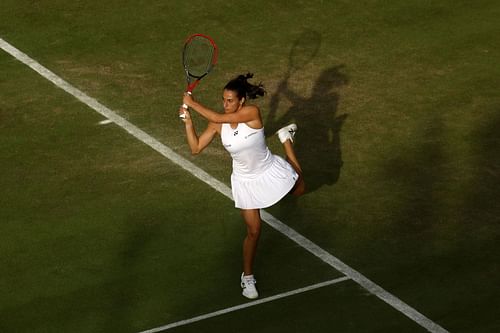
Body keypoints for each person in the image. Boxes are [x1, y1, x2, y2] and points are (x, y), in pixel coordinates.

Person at [179, 73, 305, 299]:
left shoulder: (252, 114)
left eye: (230, 101)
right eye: (223, 100)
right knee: (254, 230)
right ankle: (247, 277)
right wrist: (188, 122)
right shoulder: (218, 124)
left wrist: (192, 103)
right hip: (245, 181)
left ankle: (286, 141)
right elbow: (196, 148)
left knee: (300, 188)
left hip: (267, 170)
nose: (225, 105)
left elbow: (217, 116)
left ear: (241, 102)